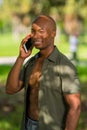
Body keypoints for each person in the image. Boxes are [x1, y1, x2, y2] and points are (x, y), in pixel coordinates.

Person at [6, 15, 81, 130]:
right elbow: (11, 89)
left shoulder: (65, 66)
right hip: (28, 125)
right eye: (33, 31)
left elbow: (75, 107)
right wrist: (21, 58)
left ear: (53, 34)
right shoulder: (30, 63)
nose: (35, 36)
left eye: (41, 31)